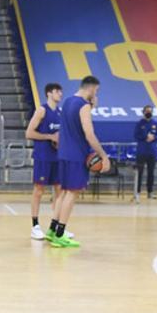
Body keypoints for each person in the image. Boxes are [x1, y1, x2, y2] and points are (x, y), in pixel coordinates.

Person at [45, 75, 109, 248]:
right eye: (96, 91)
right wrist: (103, 156)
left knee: (63, 193)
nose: (96, 94)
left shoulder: (67, 102)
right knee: (72, 194)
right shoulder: (83, 105)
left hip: (63, 153)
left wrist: (92, 107)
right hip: (76, 155)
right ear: (91, 88)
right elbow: (89, 134)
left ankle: (52, 230)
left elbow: (73, 125)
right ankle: (60, 234)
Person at [26, 82, 62, 240]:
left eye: (60, 92)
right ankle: (35, 226)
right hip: (43, 156)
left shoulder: (60, 113)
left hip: (57, 156)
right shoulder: (42, 110)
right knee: (39, 190)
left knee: (60, 191)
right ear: (49, 93)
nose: (60, 94)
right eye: (57, 91)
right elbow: (29, 133)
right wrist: (49, 137)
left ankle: (56, 226)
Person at [133, 104, 157, 200]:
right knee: (139, 173)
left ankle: (150, 192)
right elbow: (136, 136)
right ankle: (137, 192)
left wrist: (153, 137)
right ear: (143, 112)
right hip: (141, 152)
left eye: (150, 111)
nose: (149, 113)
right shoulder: (139, 124)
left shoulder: (155, 124)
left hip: (152, 152)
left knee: (151, 173)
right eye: (147, 111)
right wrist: (146, 137)